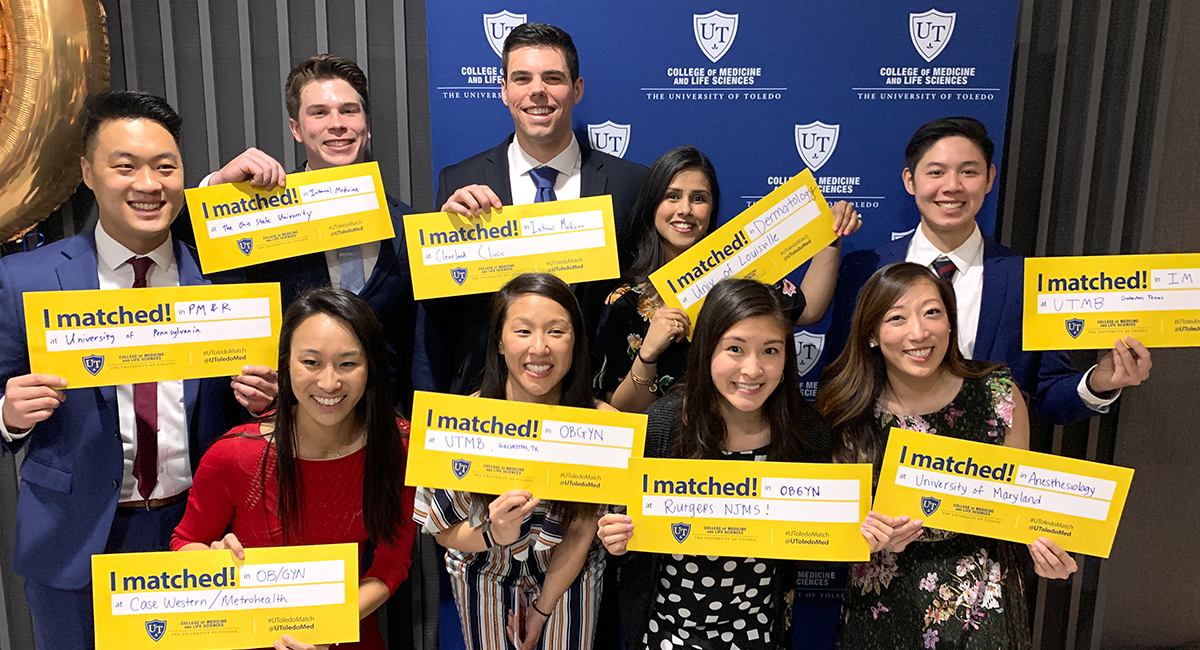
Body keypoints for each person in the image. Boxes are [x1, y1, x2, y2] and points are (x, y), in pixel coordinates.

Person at [0, 91, 271, 648]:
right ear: (87, 173)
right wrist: (8, 414)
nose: (147, 185)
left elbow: (255, 417)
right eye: (124, 166)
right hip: (72, 539)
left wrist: (265, 401)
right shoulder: (24, 279)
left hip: (198, 534)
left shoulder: (226, 283)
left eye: (164, 166)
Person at [596, 279, 891, 650]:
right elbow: (632, 548)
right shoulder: (663, 425)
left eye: (770, 350)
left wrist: (847, 537)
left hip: (760, 633)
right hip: (667, 630)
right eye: (735, 348)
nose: (752, 369)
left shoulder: (807, 434)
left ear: (787, 357)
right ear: (707, 351)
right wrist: (620, 542)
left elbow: (808, 562)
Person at [816, 262, 1078, 649]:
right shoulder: (845, 408)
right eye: (896, 318)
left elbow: (1023, 508)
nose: (918, 332)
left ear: (951, 322)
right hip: (884, 605)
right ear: (872, 333)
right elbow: (830, 526)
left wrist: (1047, 550)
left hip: (983, 604)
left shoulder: (997, 394)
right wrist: (862, 539)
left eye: (932, 313)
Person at [825, 117, 1151, 425]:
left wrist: (1097, 383)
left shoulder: (1026, 280)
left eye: (968, 172)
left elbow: (1048, 393)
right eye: (936, 173)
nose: (952, 186)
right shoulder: (865, 269)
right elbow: (840, 376)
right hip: (878, 466)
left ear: (990, 178)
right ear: (910, 181)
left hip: (984, 472)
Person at [172, 287, 417, 650]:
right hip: (254, 637)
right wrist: (209, 560)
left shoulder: (397, 448)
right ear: (285, 364)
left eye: (348, 363)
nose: (329, 382)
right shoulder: (235, 455)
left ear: (371, 368)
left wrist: (325, 626)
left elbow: (391, 563)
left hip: (348, 633)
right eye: (311, 362)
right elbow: (183, 543)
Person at [416, 22, 649, 397]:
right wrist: (443, 252)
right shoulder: (459, 181)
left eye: (552, 78)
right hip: (492, 404)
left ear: (576, 89)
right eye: (521, 78)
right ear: (504, 91)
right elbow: (440, 321)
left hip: (599, 404)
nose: (537, 91)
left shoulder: (630, 184)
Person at [201, 53, 419, 415]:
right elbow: (178, 245)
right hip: (292, 431)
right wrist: (217, 186)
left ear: (366, 124)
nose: (337, 124)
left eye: (349, 111)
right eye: (319, 113)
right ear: (296, 128)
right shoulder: (258, 216)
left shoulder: (409, 224)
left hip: (387, 438)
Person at [414, 273, 614, 650]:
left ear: (575, 343)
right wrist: (494, 533)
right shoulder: (459, 420)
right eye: (523, 331)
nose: (539, 348)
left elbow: (581, 530)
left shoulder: (600, 422)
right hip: (484, 569)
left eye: (556, 332)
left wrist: (542, 608)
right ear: (500, 342)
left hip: (569, 573)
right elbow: (441, 530)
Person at [594, 146, 861, 413]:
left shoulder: (740, 273)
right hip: (664, 444)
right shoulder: (625, 300)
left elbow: (809, 309)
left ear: (712, 207)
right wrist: (648, 354)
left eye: (698, 199)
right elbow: (621, 411)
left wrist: (830, 236)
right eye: (672, 196)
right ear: (652, 204)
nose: (685, 209)